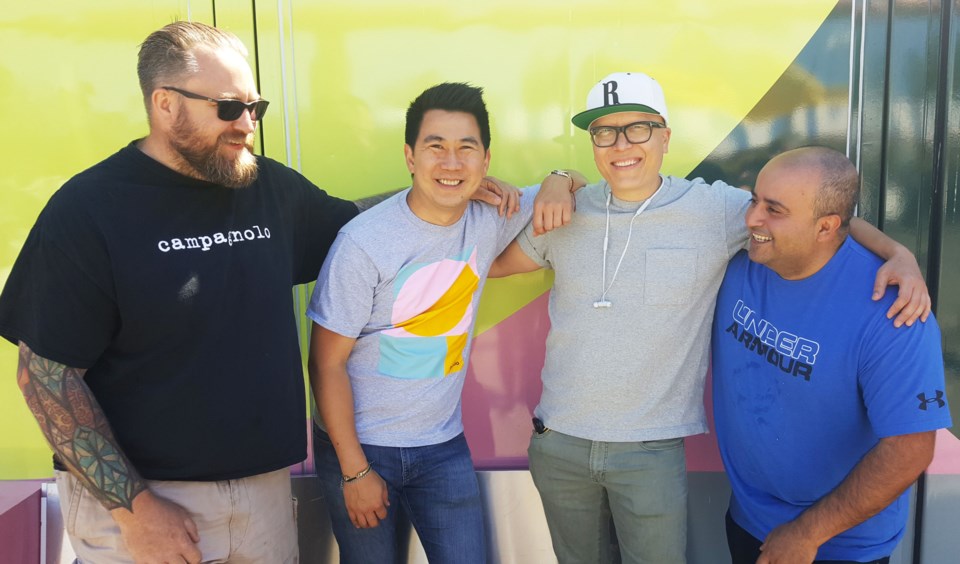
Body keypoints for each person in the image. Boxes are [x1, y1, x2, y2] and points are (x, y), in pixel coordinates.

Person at [0, 22, 519, 563]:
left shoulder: (266, 186)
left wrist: (441, 191)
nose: (247, 125)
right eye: (229, 108)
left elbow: (356, 227)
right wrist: (135, 508)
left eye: (256, 107)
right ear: (165, 104)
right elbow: (45, 376)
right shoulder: (88, 210)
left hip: (262, 495)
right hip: (147, 504)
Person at [489, 72, 931, 563]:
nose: (621, 145)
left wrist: (899, 254)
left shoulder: (716, 210)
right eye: (604, 132)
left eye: (637, 128)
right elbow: (487, 263)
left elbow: (818, 217)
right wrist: (556, 177)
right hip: (560, 444)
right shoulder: (565, 209)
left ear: (664, 135)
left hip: (650, 452)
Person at [305, 82, 579, 563]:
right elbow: (325, 365)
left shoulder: (491, 216)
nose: (451, 164)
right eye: (436, 147)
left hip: (441, 446)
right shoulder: (363, 243)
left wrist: (559, 176)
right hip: (362, 447)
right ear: (410, 157)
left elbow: (580, 184)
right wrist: (354, 471)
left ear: (485, 160)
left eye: (465, 149)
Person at [712, 147, 952, 564]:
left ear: (825, 227)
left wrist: (807, 534)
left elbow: (911, 448)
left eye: (774, 209)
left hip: (837, 545)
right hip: (748, 519)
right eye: (754, 200)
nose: (752, 218)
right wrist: (564, 178)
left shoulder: (893, 311)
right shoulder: (743, 254)